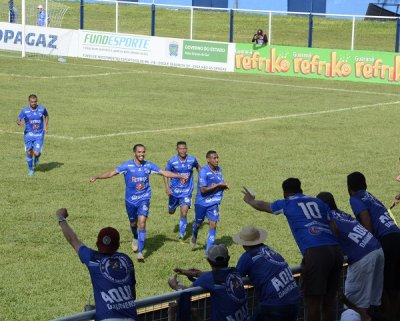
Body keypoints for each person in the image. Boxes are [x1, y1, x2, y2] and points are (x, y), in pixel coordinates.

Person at [242, 178, 343, 321]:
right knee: (329, 303)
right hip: (336, 251)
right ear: (300, 188)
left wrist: (250, 200)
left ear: (285, 192)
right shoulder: (319, 201)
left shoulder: (288, 202)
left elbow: (263, 205)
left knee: (312, 303)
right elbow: (335, 229)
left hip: (315, 252)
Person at [90, 144, 189, 262]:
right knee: (133, 223)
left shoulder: (148, 165)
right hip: (130, 201)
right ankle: (135, 237)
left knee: (142, 223)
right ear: (134, 153)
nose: (141, 154)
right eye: (139, 152)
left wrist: (179, 175)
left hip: (144, 198)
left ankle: (140, 252)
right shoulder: (127, 166)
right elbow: (111, 173)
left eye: (143, 152)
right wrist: (97, 176)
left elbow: (164, 172)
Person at [55, 208, 138, 321]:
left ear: (97, 243)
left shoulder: (93, 259)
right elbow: (132, 295)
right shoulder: (126, 260)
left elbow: (73, 240)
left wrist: (61, 217)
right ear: (118, 245)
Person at [317, 192, 385, 321]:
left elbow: (335, 233)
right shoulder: (342, 214)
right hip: (376, 249)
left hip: (362, 258)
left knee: (352, 308)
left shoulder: (328, 219)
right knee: (370, 305)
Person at [347, 172, 400, 321]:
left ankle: (389, 317)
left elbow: (366, 221)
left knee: (386, 286)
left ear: (349, 188)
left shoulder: (355, 199)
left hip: (386, 241)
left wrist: (368, 242)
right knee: (395, 286)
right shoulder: (370, 195)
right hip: (396, 235)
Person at [232, 226, 300, 321]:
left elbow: (234, 278)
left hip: (273, 305)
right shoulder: (270, 249)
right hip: (294, 300)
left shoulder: (247, 257)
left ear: (243, 244)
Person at [168, 244, 249, 321]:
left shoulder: (208, 278)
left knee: (194, 312)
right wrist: (197, 274)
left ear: (208, 260)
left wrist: (174, 285)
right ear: (228, 258)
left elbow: (185, 291)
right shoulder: (235, 272)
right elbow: (219, 275)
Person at [191, 150, 228, 254]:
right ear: (208, 159)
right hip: (201, 203)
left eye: (217, 157)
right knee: (198, 223)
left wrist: (224, 186)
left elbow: (218, 184)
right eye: (214, 158)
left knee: (213, 224)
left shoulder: (219, 170)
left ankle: (208, 252)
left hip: (213, 203)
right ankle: (194, 235)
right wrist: (218, 185)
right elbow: (203, 190)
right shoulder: (203, 172)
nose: (217, 160)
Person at [163, 141, 200, 241]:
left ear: (186, 149)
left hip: (187, 191)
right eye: (180, 149)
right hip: (174, 192)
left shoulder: (192, 159)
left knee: (184, 213)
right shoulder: (172, 161)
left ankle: (181, 235)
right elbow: (165, 173)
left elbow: (198, 167)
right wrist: (167, 187)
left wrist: (202, 177)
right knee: (171, 211)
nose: (182, 150)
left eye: (184, 148)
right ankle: (171, 207)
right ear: (177, 150)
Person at [16, 94, 49, 176]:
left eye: (35, 102)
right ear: (29, 102)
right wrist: (19, 123)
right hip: (28, 134)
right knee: (29, 152)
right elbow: (18, 119)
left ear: (37, 101)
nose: (33, 103)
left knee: (37, 153)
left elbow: (47, 115)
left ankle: (37, 157)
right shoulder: (25, 111)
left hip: (39, 134)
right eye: (32, 102)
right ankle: (31, 170)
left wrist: (45, 125)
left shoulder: (42, 109)